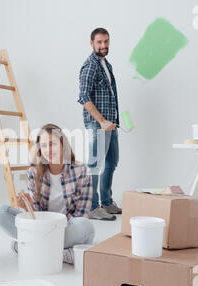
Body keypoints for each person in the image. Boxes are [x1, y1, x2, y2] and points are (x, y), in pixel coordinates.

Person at [0, 124, 95, 264]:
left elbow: (82, 213)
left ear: (62, 145)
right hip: (42, 227)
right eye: (44, 146)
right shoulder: (33, 172)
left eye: (52, 144)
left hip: (65, 227)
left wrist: (55, 229)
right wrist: (27, 207)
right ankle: (60, 252)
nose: (48, 150)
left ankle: (31, 247)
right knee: (1, 212)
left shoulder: (82, 171)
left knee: (85, 225)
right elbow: (37, 217)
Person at [78, 27, 122, 221]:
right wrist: (102, 122)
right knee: (95, 165)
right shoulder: (90, 66)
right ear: (92, 43)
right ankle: (92, 206)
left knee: (112, 162)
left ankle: (106, 201)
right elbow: (84, 98)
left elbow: (111, 96)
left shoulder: (106, 64)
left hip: (110, 125)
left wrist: (114, 123)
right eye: (99, 42)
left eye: (105, 42)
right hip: (98, 125)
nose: (103, 46)